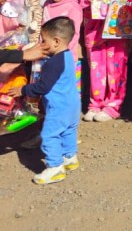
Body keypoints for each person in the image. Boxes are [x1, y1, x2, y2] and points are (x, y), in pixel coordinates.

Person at [7, 17, 81, 184]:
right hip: (72, 105)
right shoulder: (67, 55)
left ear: (56, 41)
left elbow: (42, 87)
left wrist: (23, 90)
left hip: (58, 108)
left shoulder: (53, 63)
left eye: (43, 40)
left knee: (50, 135)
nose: (41, 43)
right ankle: (70, 157)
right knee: (69, 131)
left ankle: (55, 168)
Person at [43, 0, 83, 90]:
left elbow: (74, 35)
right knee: (50, 90)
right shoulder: (47, 4)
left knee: (67, 91)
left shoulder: (73, 7)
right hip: (46, 55)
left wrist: (61, 53)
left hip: (67, 59)